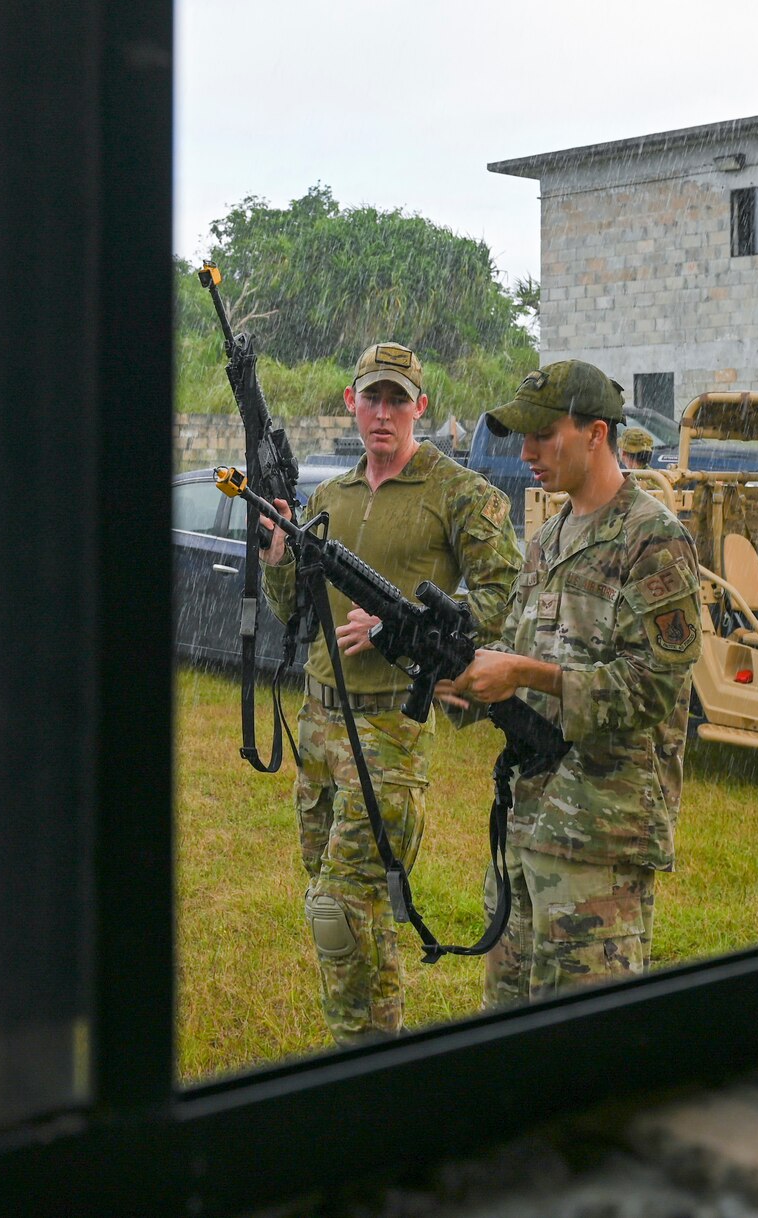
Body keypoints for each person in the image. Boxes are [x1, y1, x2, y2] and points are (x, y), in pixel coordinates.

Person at [260, 342, 521, 1042]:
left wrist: (410, 631)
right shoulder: (328, 497)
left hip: (389, 734)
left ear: (420, 408)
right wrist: (278, 558)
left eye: (397, 400)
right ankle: (371, 1047)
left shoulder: (456, 491)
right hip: (319, 723)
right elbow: (291, 609)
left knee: (340, 908)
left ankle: (358, 1051)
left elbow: (505, 586)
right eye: (371, 398)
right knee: (344, 904)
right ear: (351, 402)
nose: (383, 414)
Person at [433, 360, 701, 1009]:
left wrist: (523, 672)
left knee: (584, 1050)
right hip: (528, 828)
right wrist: (466, 683)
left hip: (600, 842)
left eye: (542, 435)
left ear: (596, 434)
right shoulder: (546, 541)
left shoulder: (653, 542)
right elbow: (528, 665)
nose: (525, 452)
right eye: (521, 437)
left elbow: (652, 690)